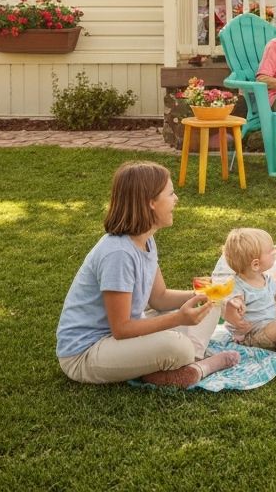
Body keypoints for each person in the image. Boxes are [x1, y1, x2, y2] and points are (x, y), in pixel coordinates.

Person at [56, 161, 239, 388]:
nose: (176, 199)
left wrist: (208, 294)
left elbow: (159, 298)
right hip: (87, 353)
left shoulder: (146, 239)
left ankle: (180, 363)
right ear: (150, 202)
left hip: (124, 338)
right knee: (178, 346)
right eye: (171, 194)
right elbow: (121, 328)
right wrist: (178, 319)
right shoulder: (118, 254)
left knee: (211, 305)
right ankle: (197, 365)